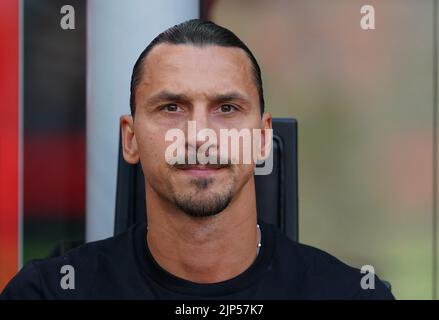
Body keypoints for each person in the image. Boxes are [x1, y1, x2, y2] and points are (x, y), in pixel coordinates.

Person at [1, 19, 394, 300]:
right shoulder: (49, 293)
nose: (199, 135)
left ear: (262, 138)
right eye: (172, 107)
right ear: (131, 138)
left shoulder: (350, 294)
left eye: (226, 108)